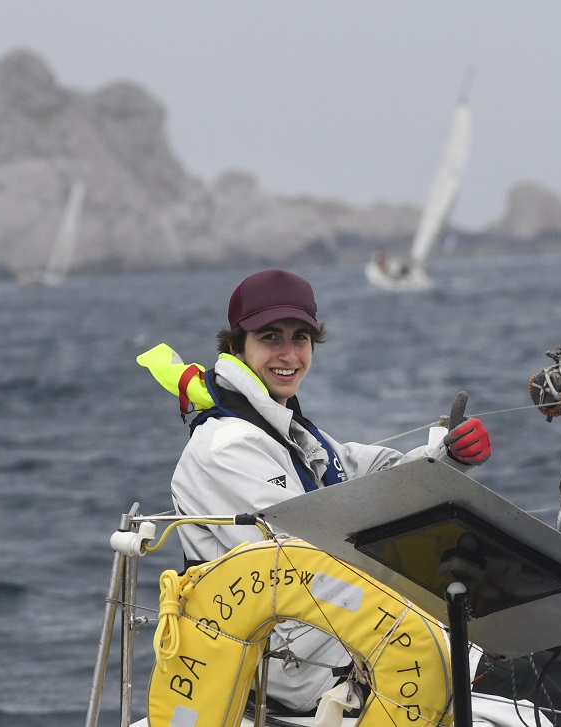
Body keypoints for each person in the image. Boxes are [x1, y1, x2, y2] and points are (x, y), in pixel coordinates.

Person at [167, 268, 492, 714]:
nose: (289, 354)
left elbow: (369, 473)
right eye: (270, 337)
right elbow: (298, 562)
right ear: (236, 346)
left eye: (300, 338)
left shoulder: (284, 427)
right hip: (292, 675)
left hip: (335, 647)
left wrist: (445, 455)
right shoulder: (226, 447)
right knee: (522, 682)